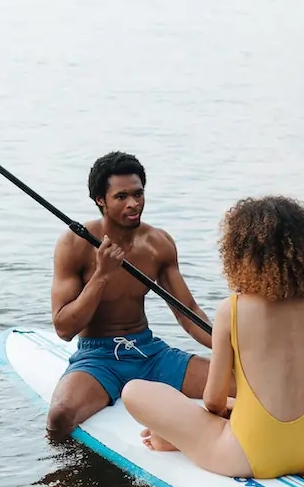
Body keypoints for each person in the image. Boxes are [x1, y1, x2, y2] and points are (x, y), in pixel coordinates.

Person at [122, 195, 304, 479]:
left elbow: (212, 401)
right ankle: (180, 437)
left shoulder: (233, 309)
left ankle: (175, 441)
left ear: (239, 253)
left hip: (249, 455)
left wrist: (214, 414)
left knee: (134, 390)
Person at [47, 151, 213, 435]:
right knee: (60, 418)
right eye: (121, 197)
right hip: (98, 358)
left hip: (149, 353)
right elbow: (64, 328)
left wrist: (229, 349)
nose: (134, 204)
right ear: (100, 199)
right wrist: (102, 274)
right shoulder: (74, 244)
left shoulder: (158, 243)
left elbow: (189, 313)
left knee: (240, 384)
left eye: (138, 194)